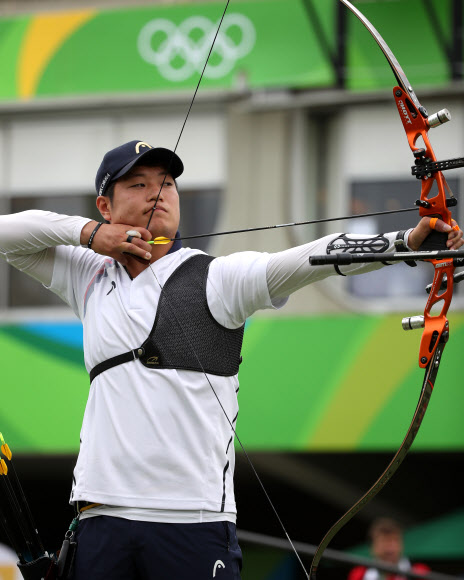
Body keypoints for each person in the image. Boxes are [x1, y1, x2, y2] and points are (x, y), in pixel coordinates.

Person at [0, 140, 462, 580]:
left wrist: (404, 242)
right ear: (105, 206)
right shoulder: (87, 275)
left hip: (192, 522)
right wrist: (88, 235)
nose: (157, 193)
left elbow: (306, 259)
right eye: (137, 184)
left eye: (166, 182)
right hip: (102, 519)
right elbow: (8, 233)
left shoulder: (216, 277)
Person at [348, 517, 430, 580]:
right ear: (372, 547)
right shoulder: (359, 574)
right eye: (384, 541)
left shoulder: (418, 571)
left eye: (395, 541)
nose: (390, 548)